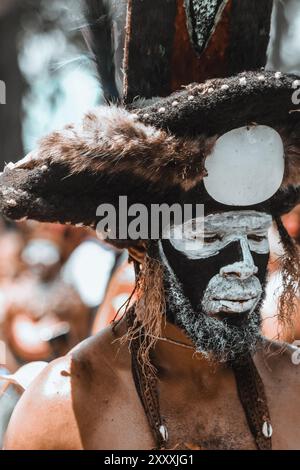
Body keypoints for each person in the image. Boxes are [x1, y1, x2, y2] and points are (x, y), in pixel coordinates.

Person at [1, 0, 300, 451]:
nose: (243, 264)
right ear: (143, 247)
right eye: (208, 237)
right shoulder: (67, 406)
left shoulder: (293, 387)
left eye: (256, 236)